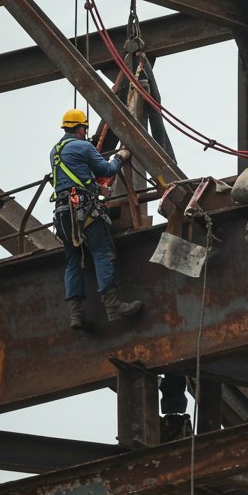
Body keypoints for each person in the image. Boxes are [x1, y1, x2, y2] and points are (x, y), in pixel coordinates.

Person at [50, 107, 143, 330]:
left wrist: (95, 187)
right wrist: (120, 157)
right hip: (84, 210)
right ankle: (113, 307)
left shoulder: (54, 151)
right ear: (82, 128)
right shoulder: (83, 146)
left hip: (62, 213)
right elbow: (107, 169)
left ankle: (75, 315)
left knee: (73, 260)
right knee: (101, 252)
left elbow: (73, 177)